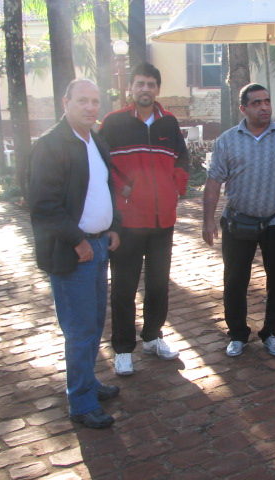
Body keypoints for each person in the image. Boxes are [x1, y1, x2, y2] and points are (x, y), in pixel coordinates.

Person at [28, 78, 122, 429]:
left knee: (94, 323)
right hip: (73, 253)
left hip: (99, 246)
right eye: (82, 100)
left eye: (95, 101)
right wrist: (76, 240)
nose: (90, 107)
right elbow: (43, 205)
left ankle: (88, 382)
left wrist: (114, 226)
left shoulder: (96, 142)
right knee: (79, 330)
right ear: (65, 102)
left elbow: (106, 189)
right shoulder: (50, 145)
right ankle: (81, 403)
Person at [99, 63, 189, 375]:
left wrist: (176, 188)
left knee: (158, 284)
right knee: (123, 288)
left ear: (158, 89)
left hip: (163, 221)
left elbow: (182, 158)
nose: (145, 89)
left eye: (151, 84)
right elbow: (101, 163)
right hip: (128, 221)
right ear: (131, 88)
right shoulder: (114, 122)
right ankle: (123, 348)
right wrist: (123, 188)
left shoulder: (169, 123)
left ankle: (152, 337)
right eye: (140, 83)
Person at [202, 83, 275, 357]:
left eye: (267, 101)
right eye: (256, 103)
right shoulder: (227, 140)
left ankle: (272, 332)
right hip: (237, 222)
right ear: (243, 108)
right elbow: (213, 182)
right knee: (234, 281)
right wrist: (208, 221)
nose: (264, 107)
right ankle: (237, 334)